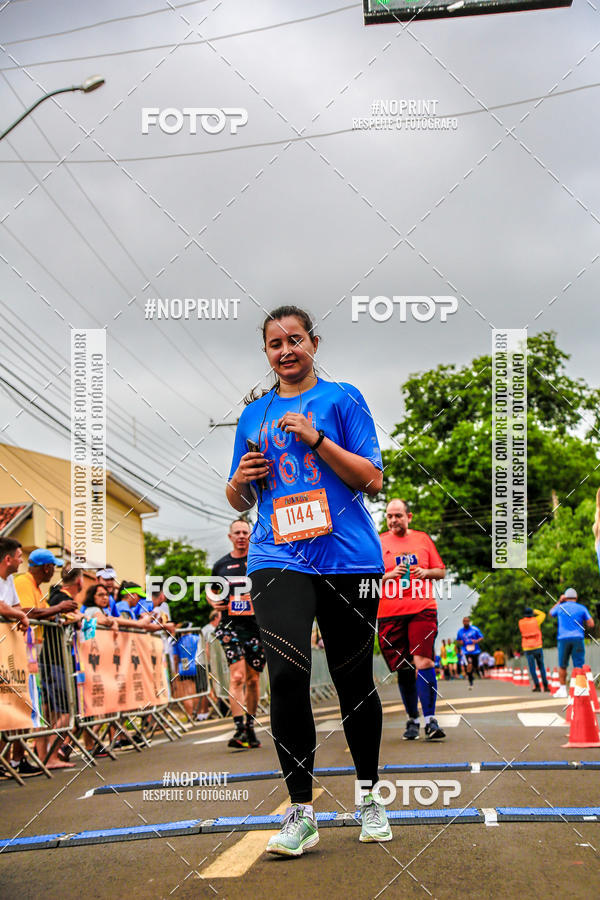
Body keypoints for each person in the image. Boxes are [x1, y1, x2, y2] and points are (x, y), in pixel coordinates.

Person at [226, 304, 391, 855]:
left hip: (348, 558)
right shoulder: (254, 415)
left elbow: (372, 478)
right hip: (278, 557)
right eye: (276, 344)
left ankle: (369, 797)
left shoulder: (343, 398)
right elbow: (238, 496)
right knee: (288, 674)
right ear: (267, 354)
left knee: (352, 680)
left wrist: (318, 440)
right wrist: (241, 481)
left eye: (295, 339)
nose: (286, 351)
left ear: (314, 344)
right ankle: (301, 812)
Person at [377, 498, 447, 742]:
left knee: (423, 660)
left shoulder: (423, 539)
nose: (394, 520)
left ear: (409, 517)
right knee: (404, 668)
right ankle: (412, 719)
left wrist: (425, 572)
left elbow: (440, 571)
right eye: (389, 516)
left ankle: (430, 720)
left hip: (422, 609)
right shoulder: (379, 542)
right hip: (389, 613)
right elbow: (367, 578)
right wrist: (388, 576)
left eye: (398, 515)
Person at [210, 520, 266, 749]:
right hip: (230, 627)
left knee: (253, 679)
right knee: (237, 677)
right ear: (230, 536)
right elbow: (211, 592)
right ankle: (239, 728)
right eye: (237, 533)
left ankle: (250, 727)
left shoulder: (259, 559)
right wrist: (213, 601)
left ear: (250, 536)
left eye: (245, 532)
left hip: (256, 627)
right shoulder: (221, 565)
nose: (242, 536)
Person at [549, 588, 594, 698]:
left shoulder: (560, 607)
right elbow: (591, 623)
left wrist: (559, 601)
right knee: (579, 665)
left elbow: (550, 613)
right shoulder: (581, 608)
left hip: (563, 639)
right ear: (576, 597)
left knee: (562, 665)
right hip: (578, 638)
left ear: (565, 597)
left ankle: (563, 690)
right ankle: (580, 689)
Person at [518, 606, 549, 692]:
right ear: (531, 614)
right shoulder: (536, 620)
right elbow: (543, 614)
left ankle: (537, 686)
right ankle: (546, 686)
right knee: (541, 667)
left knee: (532, 668)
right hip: (537, 646)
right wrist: (534, 610)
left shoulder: (521, 622)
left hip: (527, 648)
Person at [456, 616, 484, 689]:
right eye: (465, 621)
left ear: (469, 622)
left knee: (475, 665)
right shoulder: (460, 631)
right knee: (469, 665)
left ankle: (478, 671)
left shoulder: (475, 629)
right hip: (466, 651)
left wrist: (476, 641)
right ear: (463, 622)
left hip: (475, 651)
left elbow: (481, 637)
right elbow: (458, 640)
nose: (466, 622)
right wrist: (461, 642)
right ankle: (470, 681)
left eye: (467, 621)